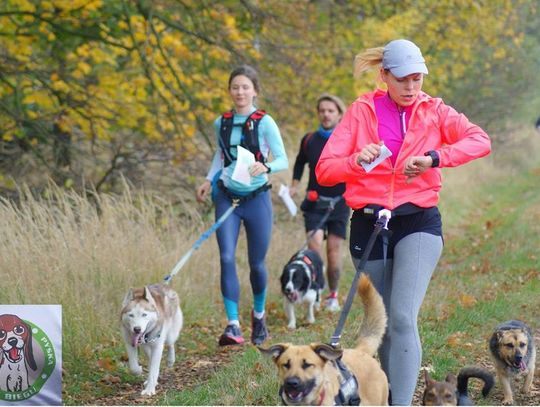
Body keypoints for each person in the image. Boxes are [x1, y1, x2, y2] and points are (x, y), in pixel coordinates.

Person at [315, 39, 491, 405]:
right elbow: (325, 170)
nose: (412, 88)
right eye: (403, 80)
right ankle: (389, 395)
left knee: (401, 316)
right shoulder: (361, 111)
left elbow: (480, 140)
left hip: (418, 222)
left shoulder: (435, 110)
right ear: (384, 76)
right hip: (369, 224)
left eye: (417, 79)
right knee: (383, 326)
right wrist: (355, 161)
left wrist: (435, 157)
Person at [196, 65, 288, 346]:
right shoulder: (220, 122)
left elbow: (282, 159)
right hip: (226, 196)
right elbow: (220, 156)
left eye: (245, 87)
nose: (240, 92)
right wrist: (208, 180)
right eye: (235, 87)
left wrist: (266, 166)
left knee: (256, 263)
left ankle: (258, 316)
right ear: (229, 91)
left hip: (257, 197)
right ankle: (233, 325)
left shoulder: (265, 122)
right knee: (226, 257)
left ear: (255, 91)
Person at [289, 93, 350, 312]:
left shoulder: (348, 140)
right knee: (314, 247)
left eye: (330, 111)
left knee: (333, 252)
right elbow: (299, 163)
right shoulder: (309, 140)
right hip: (315, 202)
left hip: (340, 203)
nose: (326, 114)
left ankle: (333, 295)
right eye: (322, 110)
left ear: (339, 114)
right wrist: (294, 184)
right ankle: (316, 291)